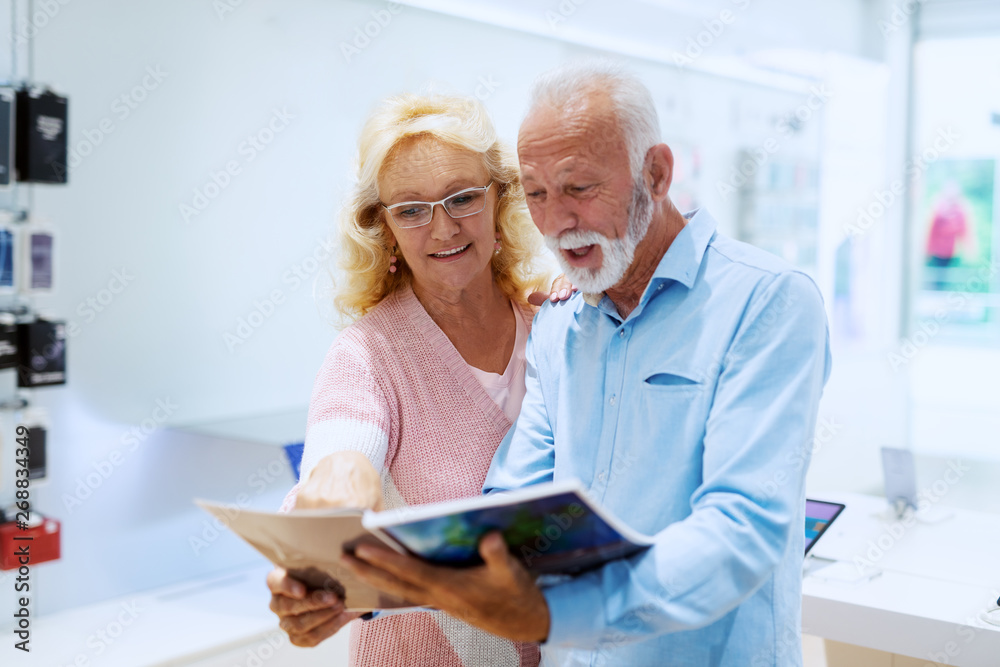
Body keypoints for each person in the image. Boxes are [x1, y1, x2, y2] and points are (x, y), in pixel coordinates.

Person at [343, 62, 832, 666]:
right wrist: (358, 583)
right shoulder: (560, 324)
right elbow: (514, 507)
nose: (557, 222)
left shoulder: (766, 303)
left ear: (656, 174)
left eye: (579, 188)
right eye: (537, 194)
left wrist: (555, 613)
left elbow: (740, 532)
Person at [267, 93, 573, 666]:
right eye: (411, 210)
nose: (442, 228)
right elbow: (341, 453)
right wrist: (334, 494)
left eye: (462, 198)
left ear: (500, 199)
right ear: (384, 228)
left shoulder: (553, 331)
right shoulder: (368, 355)